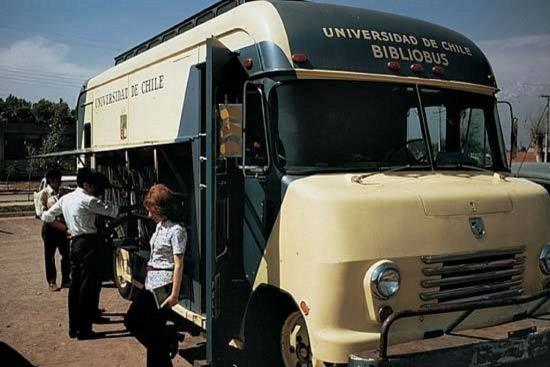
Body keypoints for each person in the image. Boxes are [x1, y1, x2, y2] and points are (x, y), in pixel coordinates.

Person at [41, 167, 120, 340]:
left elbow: (46, 216)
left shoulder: (66, 198)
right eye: (92, 186)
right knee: (88, 288)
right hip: (89, 245)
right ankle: (84, 330)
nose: (94, 189)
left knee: (75, 288)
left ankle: (73, 327)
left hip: (75, 243)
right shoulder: (88, 200)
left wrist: (66, 229)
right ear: (86, 184)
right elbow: (113, 211)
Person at [125, 184, 186, 367]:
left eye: (152, 211)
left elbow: (178, 264)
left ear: (162, 209)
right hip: (151, 282)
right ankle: (168, 337)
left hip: (163, 286)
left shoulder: (177, 231)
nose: (149, 215)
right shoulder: (160, 226)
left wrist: (174, 295)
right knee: (133, 321)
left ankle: (166, 339)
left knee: (154, 338)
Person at [36, 168, 70, 291]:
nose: (60, 183)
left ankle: (66, 279)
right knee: (49, 256)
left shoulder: (62, 193)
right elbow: (42, 213)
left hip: (62, 228)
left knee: (66, 254)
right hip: (50, 229)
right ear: (51, 180)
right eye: (58, 180)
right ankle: (51, 281)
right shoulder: (43, 194)